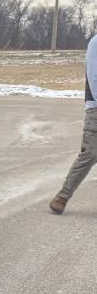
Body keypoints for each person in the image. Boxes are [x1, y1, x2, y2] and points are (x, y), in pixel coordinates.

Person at [50, 32, 97, 213]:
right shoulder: (96, 42)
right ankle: (63, 196)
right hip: (95, 108)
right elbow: (94, 77)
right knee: (90, 153)